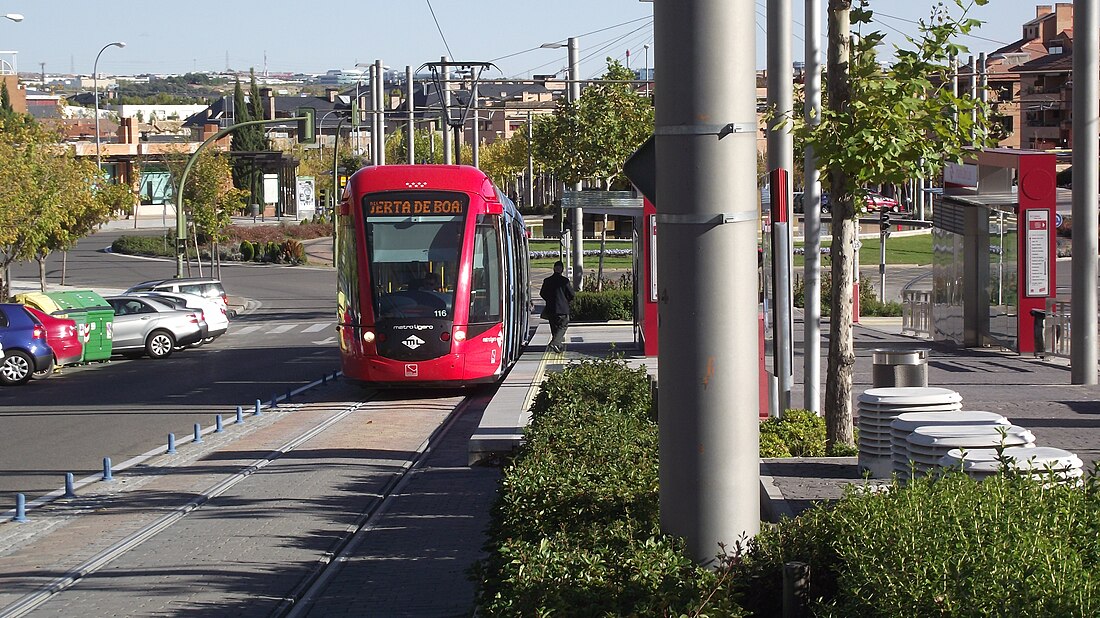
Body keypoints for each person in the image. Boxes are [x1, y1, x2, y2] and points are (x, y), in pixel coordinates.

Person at [540, 260, 575, 353]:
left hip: (551, 309)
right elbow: (572, 294)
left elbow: (542, 293)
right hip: (562, 308)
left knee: (554, 328)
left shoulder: (547, 280)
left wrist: (549, 300)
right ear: (562, 270)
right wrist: (566, 301)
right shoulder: (564, 281)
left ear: (553, 269)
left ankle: (558, 346)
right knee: (563, 326)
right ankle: (555, 343)